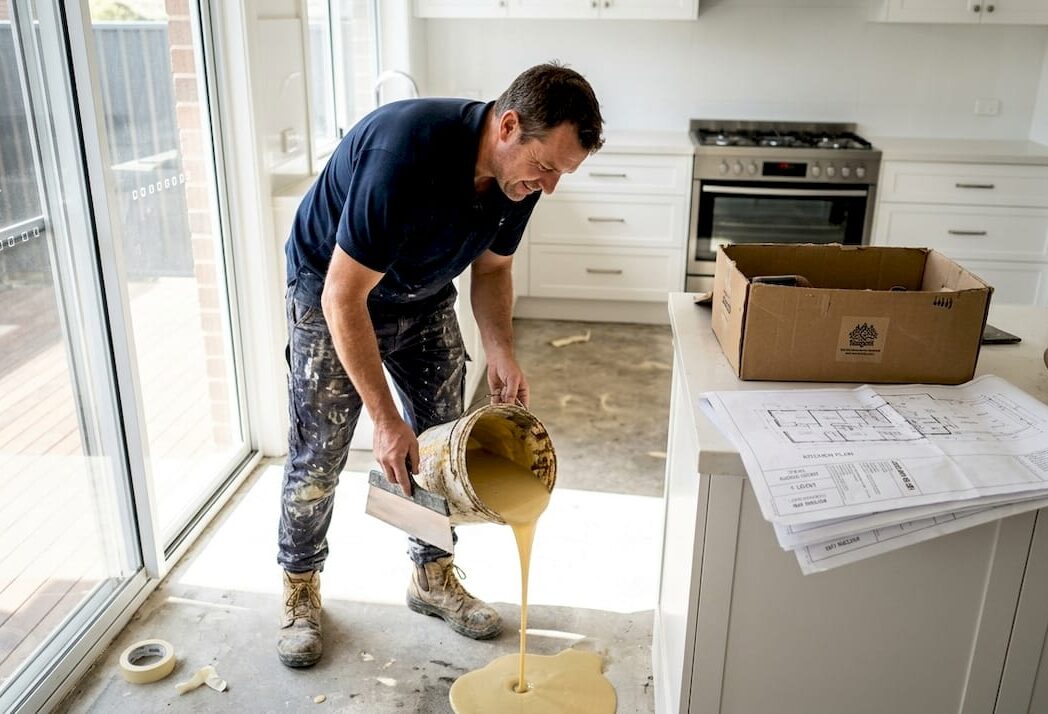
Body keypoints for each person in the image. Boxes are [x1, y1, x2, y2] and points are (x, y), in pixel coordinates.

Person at [276, 62, 604, 668]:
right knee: (321, 450)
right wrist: (382, 417)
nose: (550, 186)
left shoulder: (518, 180)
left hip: (422, 296)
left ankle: (431, 577)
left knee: (439, 445)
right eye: (548, 167)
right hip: (334, 295)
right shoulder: (405, 155)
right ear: (508, 126)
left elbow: (495, 270)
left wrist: (501, 349)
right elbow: (342, 298)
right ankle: (300, 588)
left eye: (562, 173)